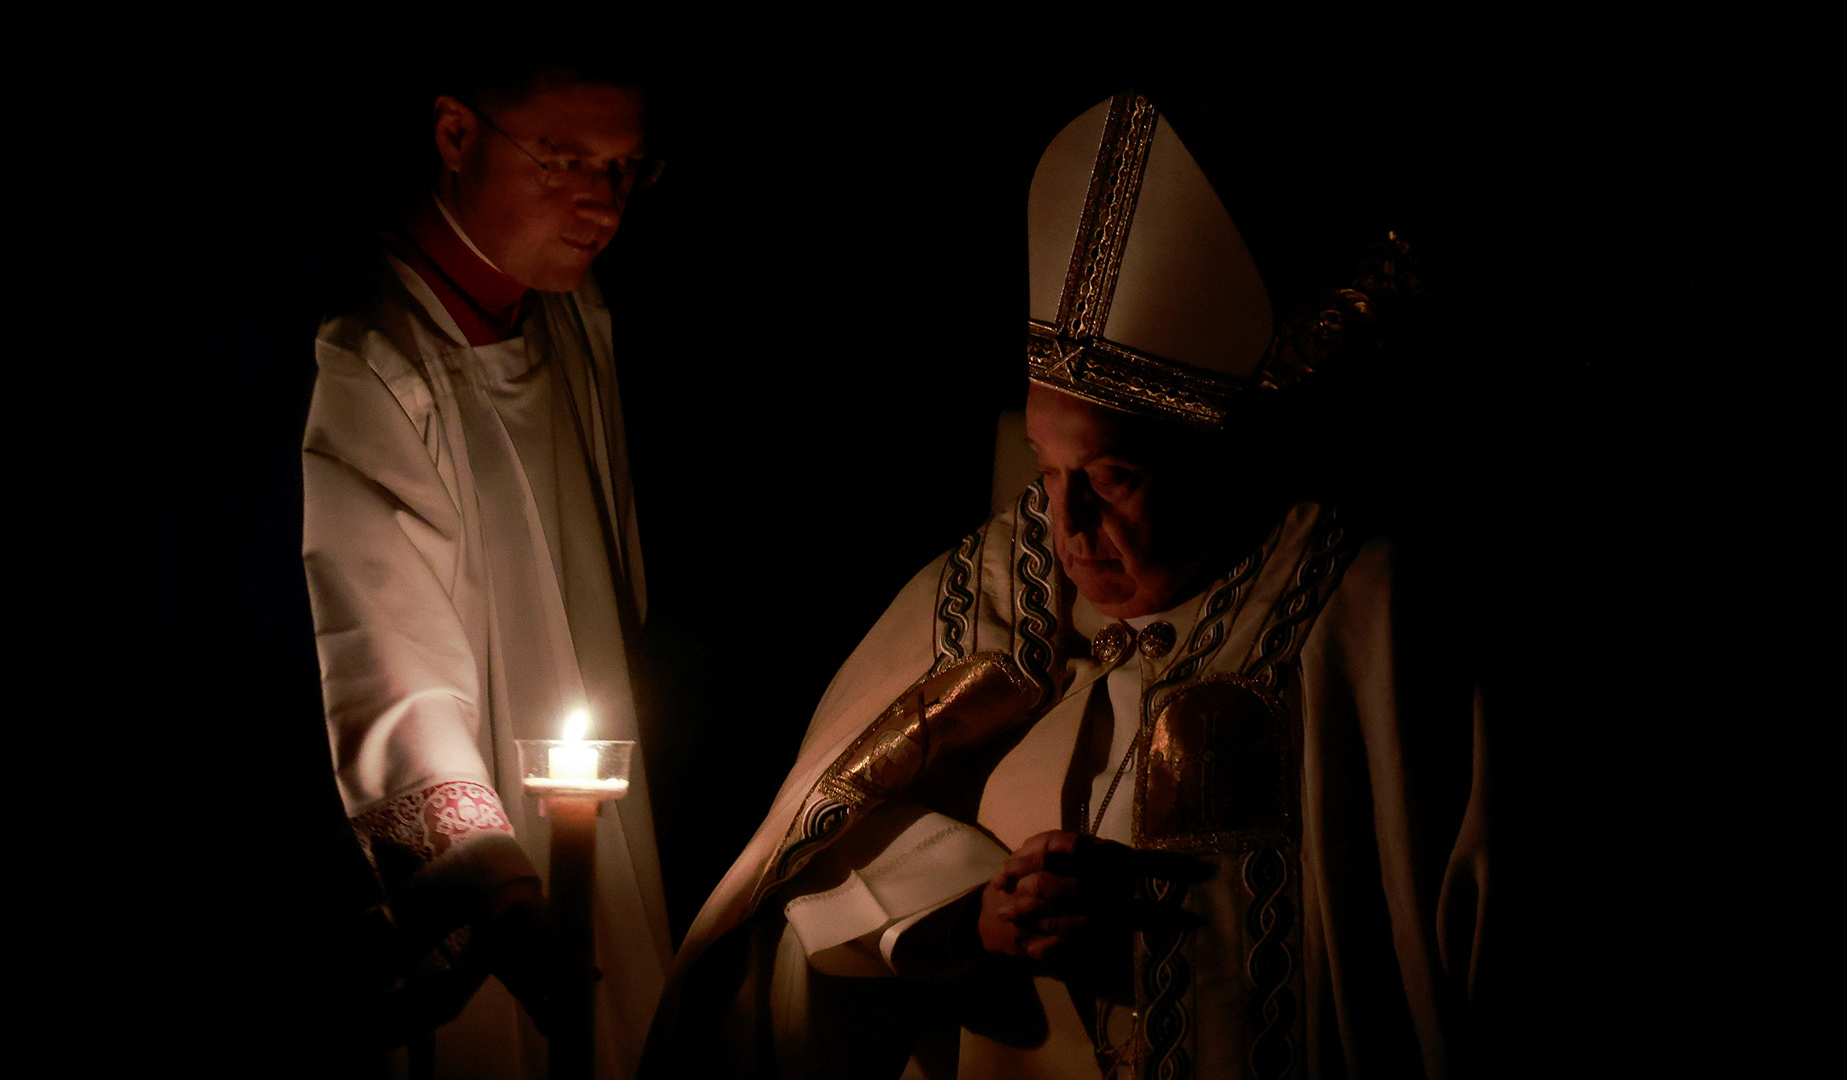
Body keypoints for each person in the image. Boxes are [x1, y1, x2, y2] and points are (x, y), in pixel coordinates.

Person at [643, 92, 1483, 1079]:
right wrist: (969, 909)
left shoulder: (1358, 616)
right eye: (1045, 468)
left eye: (1115, 477)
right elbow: (820, 877)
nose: (1067, 523)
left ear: (1214, 467)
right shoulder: (991, 594)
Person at [302, 44, 670, 1080]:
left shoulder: (572, 313)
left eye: (625, 168)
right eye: (562, 160)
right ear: (455, 134)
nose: (601, 203)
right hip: (489, 860)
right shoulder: (371, 358)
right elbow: (381, 659)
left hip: (602, 819)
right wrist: (497, 889)